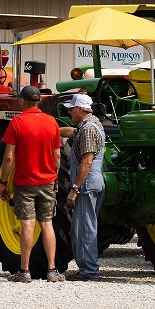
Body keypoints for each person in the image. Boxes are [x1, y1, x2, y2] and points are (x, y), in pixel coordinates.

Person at [0, 84, 62, 283]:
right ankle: (52, 270)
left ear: (21, 101)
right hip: (48, 181)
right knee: (47, 223)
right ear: (39, 101)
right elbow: (57, 155)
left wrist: (3, 182)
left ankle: (24, 271)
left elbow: (8, 157)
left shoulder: (17, 122)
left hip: (25, 182)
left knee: (27, 224)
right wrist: (55, 176)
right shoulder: (52, 122)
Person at [60, 92, 105, 281]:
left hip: (86, 185)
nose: (69, 112)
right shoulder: (92, 124)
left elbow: (86, 162)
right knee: (86, 225)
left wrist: (74, 189)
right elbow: (71, 132)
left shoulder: (87, 130)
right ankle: (87, 268)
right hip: (94, 182)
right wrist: (49, 129)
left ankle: (89, 271)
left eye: (71, 109)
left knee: (85, 227)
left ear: (79, 109)